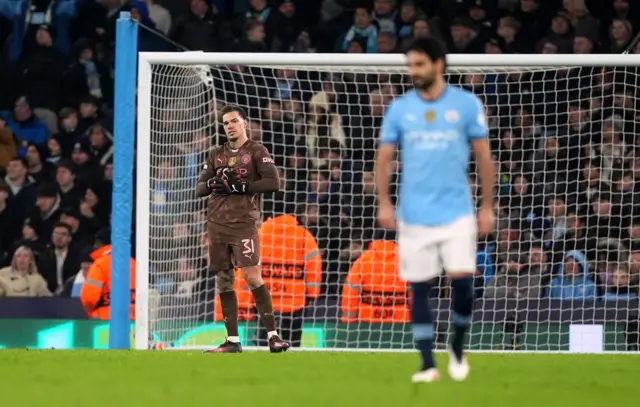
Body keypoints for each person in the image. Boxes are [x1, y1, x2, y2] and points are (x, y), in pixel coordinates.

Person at [374, 37, 495, 383]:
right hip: (414, 214)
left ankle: (457, 343)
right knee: (420, 287)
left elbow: (484, 157)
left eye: (420, 64)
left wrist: (487, 207)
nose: (414, 71)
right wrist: (385, 202)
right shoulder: (399, 108)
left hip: (458, 211)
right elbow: (384, 158)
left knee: (462, 282)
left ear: (439, 64)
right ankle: (428, 365)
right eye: (411, 65)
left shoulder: (466, 104)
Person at [195, 105, 290, 353]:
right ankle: (233, 341)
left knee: (252, 276)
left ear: (244, 123)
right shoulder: (216, 154)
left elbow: (273, 182)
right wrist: (216, 182)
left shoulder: (257, 151)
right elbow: (200, 189)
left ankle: (273, 336)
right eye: (225, 122)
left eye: (234, 121)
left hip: (243, 224)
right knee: (224, 281)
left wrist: (241, 186)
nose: (229, 126)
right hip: (216, 224)